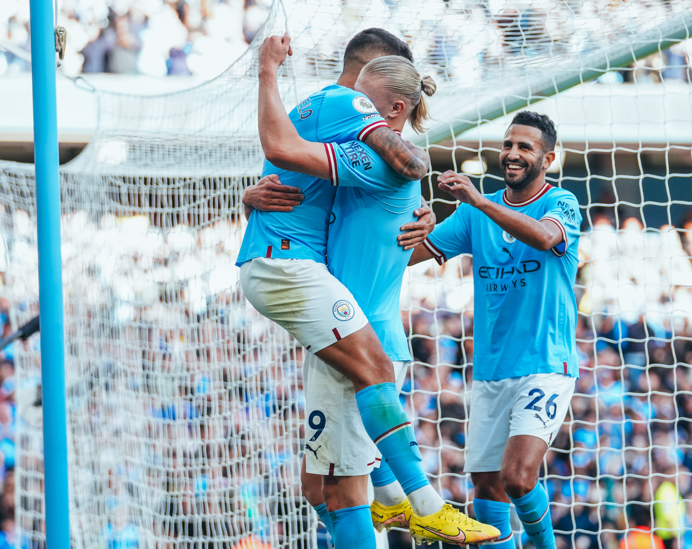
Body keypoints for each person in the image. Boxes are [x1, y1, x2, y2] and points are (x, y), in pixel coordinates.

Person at [242, 33, 499, 546]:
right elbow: (399, 164)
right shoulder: (351, 115)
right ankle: (420, 502)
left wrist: (250, 194)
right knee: (345, 484)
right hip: (327, 303)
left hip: (342, 315)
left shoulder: (347, 136)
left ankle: (391, 498)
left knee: (323, 488)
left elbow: (401, 170)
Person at [407, 111, 582, 549]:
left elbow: (544, 238)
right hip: (489, 372)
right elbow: (409, 257)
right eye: (508, 144)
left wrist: (482, 202)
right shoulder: (472, 219)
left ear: (548, 158)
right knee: (487, 487)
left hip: (544, 364)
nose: (512, 153)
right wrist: (416, 226)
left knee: (519, 478)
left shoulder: (562, 204)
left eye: (524, 146)